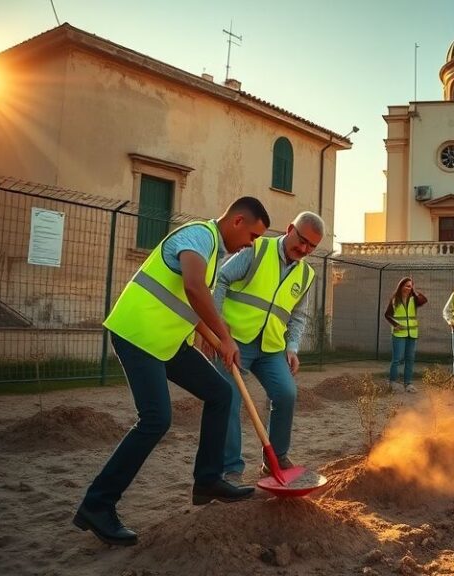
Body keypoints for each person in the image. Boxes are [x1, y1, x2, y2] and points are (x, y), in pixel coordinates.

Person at [73, 197, 270, 547]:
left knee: (221, 393)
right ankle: (97, 505)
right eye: (253, 236)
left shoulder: (214, 253)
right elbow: (193, 287)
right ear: (238, 221)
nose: (251, 245)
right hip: (138, 334)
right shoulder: (200, 236)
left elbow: (188, 300)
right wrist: (225, 337)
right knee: (155, 419)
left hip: (165, 341)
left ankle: (208, 480)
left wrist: (212, 335)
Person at [210, 211, 323, 481]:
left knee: (286, 393)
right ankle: (231, 470)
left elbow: (297, 316)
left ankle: (275, 459)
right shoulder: (257, 249)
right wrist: (218, 329)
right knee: (230, 398)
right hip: (236, 341)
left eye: (312, 246)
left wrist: (292, 347)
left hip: (272, 347)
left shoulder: (306, 274)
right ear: (289, 229)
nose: (304, 249)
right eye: (302, 240)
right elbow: (222, 279)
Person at [384, 277, 428, 393]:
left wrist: (414, 290)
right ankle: (392, 382)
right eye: (407, 286)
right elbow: (387, 315)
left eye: (410, 286)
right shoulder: (395, 299)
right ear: (401, 286)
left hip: (412, 334)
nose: (408, 288)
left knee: (410, 359)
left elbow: (424, 300)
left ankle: (408, 384)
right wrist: (395, 325)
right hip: (399, 334)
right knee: (397, 359)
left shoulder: (414, 299)